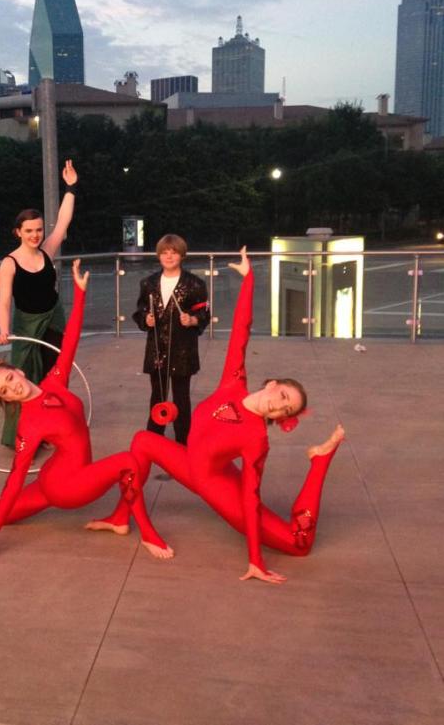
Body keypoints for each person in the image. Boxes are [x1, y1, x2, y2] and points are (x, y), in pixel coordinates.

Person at [87, 247, 345, 585]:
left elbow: (250, 498)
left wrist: (256, 560)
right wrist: (249, 280)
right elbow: (242, 329)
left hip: (219, 488)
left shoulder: (257, 438)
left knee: (298, 543)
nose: (279, 407)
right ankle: (123, 518)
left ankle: (320, 460)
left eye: (286, 410)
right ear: (272, 383)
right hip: (189, 464)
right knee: (142, 441)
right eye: (283, 396)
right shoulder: (233, 383)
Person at [0, 260, 173, 566]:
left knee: (0, 512)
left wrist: (81, 293)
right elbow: (16, 478)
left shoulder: (55, 381)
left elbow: (70, 341)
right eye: (4, 392)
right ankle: (148, 533)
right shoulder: (28, 424)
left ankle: (119, 519)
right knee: (128, 461)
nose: (12, 389)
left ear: (18, 371)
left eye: (9, 380)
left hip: (52, 478)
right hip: (67, 489)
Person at [0, 158, 78, 448]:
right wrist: (4, 330)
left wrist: (70, 187)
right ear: (18, 231)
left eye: (39, 230)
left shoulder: (47, 250)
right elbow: (5, 301)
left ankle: (52, 428)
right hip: (26, 324)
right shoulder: (9, 263)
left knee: (54, 374)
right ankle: (19, 435)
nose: (35, 235)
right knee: (21, 377)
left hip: (53, 317)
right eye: (29, 230)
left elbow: (64, 220)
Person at [133, 234, 209, 445]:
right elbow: (140, 311)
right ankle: (154, 439)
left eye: (173, 252)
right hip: (157, 348)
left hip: (183, 350)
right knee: (157, 395)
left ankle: (183, 441)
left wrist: (192, 320)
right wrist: (146, 320)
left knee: (181, 397)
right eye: (164, 252)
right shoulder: (148, 283)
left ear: (182, 255)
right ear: (158, 256)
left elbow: (205, 314)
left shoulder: (195, 284)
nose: (169, 256)